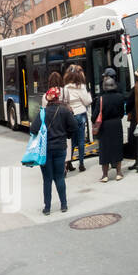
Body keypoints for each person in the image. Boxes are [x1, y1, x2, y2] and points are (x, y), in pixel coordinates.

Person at [40, 86, 75, 214]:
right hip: (60, 147)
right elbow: (74, 126)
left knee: (47, 179)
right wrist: (67, 135)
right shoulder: (64, 111)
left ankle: (47, 208)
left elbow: (33, 129)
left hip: (46, 149)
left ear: (48, 99)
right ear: (58, 97)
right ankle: (64, 205)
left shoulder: (43, 112)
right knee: (60, 177)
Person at [94, 71, 127, 181]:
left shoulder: (101, 99)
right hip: (117, 124)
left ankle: (105, 175)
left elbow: (95, 115)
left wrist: (94, 121)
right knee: (117, 147)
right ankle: (118, 173)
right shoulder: (120, 97)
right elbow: (122, 113)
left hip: (105, 126)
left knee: (105, 149)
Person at [62, 65, 93, 173]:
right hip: (80, 114)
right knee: (80, 140)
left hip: (70, 116)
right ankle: (81, 164)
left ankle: (69, 162)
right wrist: (88, 94)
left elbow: (65, 102)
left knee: (71, 141)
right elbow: (87, 102)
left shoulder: (65, 88)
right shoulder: (82, 87)